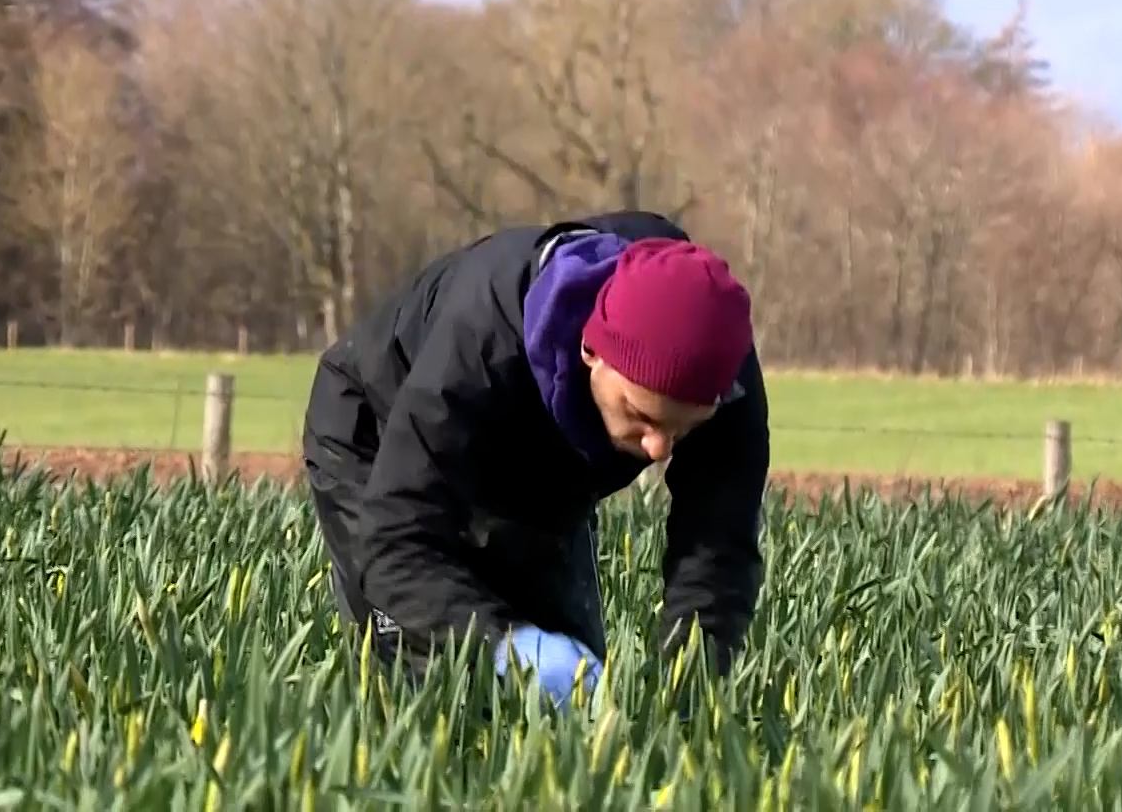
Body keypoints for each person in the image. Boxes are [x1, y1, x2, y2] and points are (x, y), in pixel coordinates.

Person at [300, 209, 770, 707]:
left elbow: (718, 544)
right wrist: (504, 647)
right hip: (379, 431)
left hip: (547, 449)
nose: (658, 449)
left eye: (685, 426)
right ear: (591, 350)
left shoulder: (718, 365)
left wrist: (689, 695)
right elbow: (396, 540)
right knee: (429, 681)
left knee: (576, 693)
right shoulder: (478, 345)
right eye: (641, 414)